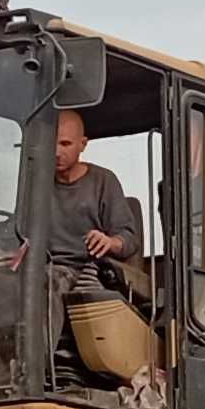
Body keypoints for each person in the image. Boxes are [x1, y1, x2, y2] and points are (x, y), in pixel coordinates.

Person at [41, 107, 143, 283]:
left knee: (50, 282)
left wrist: (110, 242)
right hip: (41, 268)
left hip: (86, 273)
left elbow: (130, 239)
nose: (57, 153)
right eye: (52, 143)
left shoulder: (103, 182)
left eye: (65, 144)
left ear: (83, 144)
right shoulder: (37, 185)